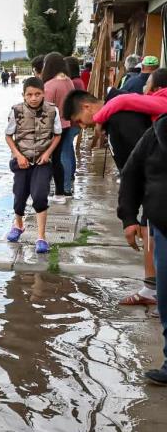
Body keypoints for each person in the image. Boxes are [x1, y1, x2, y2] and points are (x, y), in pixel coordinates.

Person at [63, 72, 167, 306]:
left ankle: (152, 290)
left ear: (88, 107)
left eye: (79, 120)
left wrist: (131, 214)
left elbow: (140, 162)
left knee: (149, 230)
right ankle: (152, 287)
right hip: (154, 187)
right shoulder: (114, 116)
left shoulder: (122, 118)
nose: (83, 127)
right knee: (150, 232)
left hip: (157, 187)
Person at [117, 113, 167, 384]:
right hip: (163, 225)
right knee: (166, 297)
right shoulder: (156, 133)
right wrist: (128, 218)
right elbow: (131, 173)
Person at [5, 77, 62, 254]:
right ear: (23, 96)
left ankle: (41, 237)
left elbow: (57, 134)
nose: (34, 98)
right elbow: (8, 136)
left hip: (42, 162)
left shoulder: (53, 110)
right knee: (20, 195)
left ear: (43, 93)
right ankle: (18, 225)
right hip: (22, 160)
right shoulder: (16, 110)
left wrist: (47, 154)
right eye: (29, 94)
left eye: (37, 94)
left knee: (39, 196)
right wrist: (18, 155)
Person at [42, 52, 75, 201]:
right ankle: (63, 190)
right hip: (67, 123)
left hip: (53, 126)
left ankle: (53, 191)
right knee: (63, 156)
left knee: (52, 158)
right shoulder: (69, 81)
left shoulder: (49, 85)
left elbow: (45, 110)